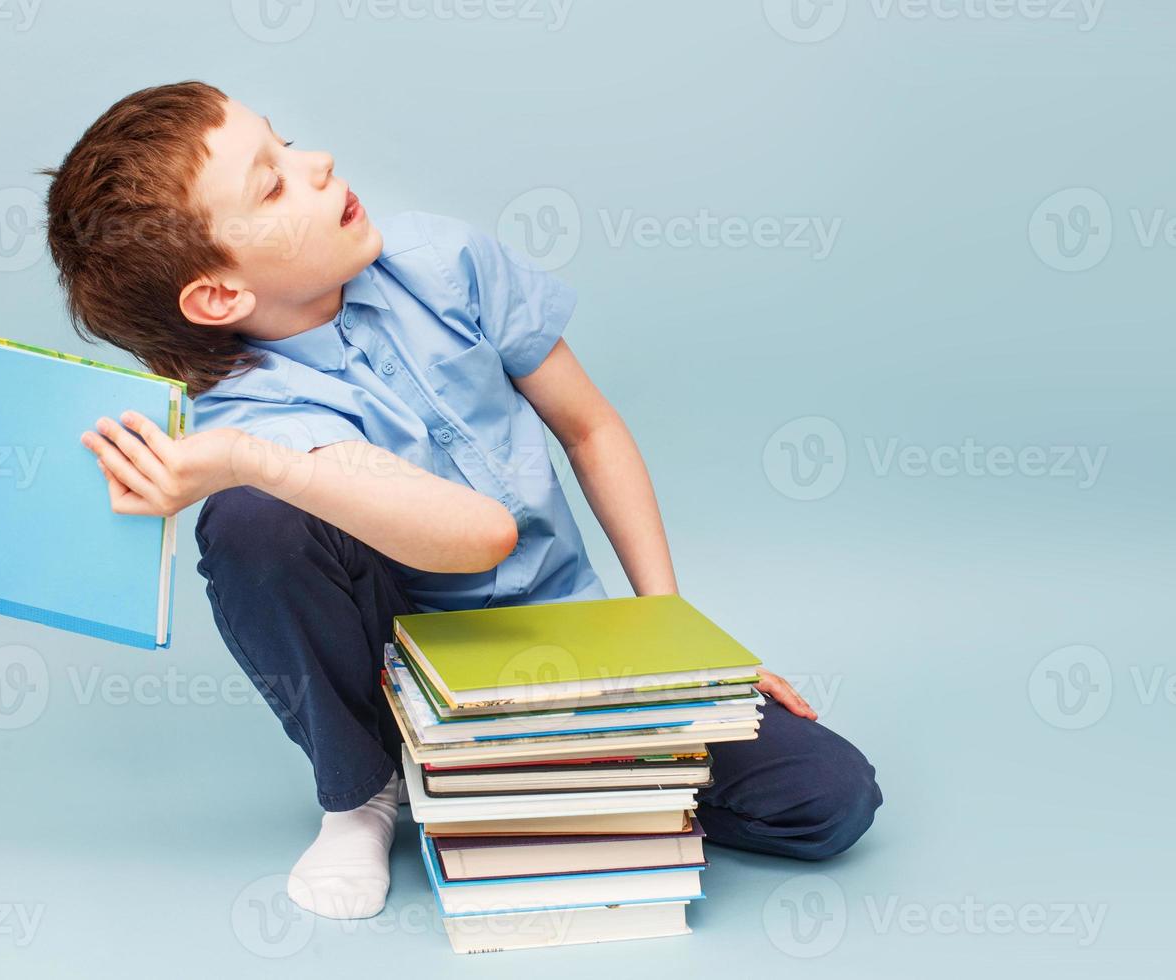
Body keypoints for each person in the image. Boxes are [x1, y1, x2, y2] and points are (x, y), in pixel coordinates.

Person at [44, 80, 882, 922]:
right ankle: (364, 793)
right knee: (249, 517)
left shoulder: (445, 263)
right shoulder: (251, 412)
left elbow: (590, 429)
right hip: (412, 668)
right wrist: (243, 460)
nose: (319, 162)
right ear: (220, 294)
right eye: (273, 183)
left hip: (564, 631)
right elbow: (481, 536)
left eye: (288, 143)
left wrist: (673, 641)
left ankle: (533, 783)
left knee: (831, 798)